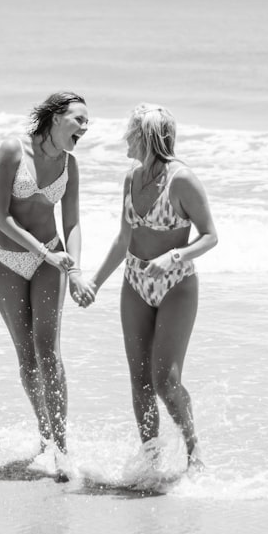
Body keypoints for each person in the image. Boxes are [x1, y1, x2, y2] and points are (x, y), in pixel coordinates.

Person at [82, 103, 218, 471]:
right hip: (135, 282)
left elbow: (210, 237)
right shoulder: (131, 179)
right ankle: (151, 461)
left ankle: (194, 455)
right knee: (139, 380)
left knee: (165, 381)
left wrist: (175, 257)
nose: (125, 138)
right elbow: (124, 236)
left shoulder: (182, 180)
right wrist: (94, 283)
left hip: (176, 286)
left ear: (145, 137)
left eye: (130, 132)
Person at [0, 91, 94, 479]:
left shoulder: (70, 165)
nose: (85, 126)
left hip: (51, 257)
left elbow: (73, 223)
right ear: (54, 117)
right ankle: (44, 436)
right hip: (5, 259)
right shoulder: (14, 150)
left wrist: (75, 270)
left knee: (49, 351)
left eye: (86, 122)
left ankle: (61, 449)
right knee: (27, 356)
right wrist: (41, 253)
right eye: (78, 119)